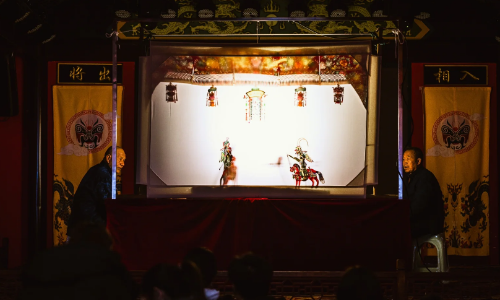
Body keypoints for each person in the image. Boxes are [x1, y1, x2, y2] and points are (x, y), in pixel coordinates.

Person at [67, 146, 126, 237]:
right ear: (108, 158)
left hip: (82, 228)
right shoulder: (102, 173)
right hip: (87, 230)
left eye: (124, 160)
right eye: (120, 159)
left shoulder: (99, 170)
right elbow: (107, 203)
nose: (123, 164)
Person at [403, 147, 444, 239]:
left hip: (427, 223)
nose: (405, 162)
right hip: (416, 220)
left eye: (408, 159)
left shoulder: (425, 177)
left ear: (418, 161)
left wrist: (403, 217)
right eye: (403, 159)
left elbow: (420, 205)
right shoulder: (410, 178)